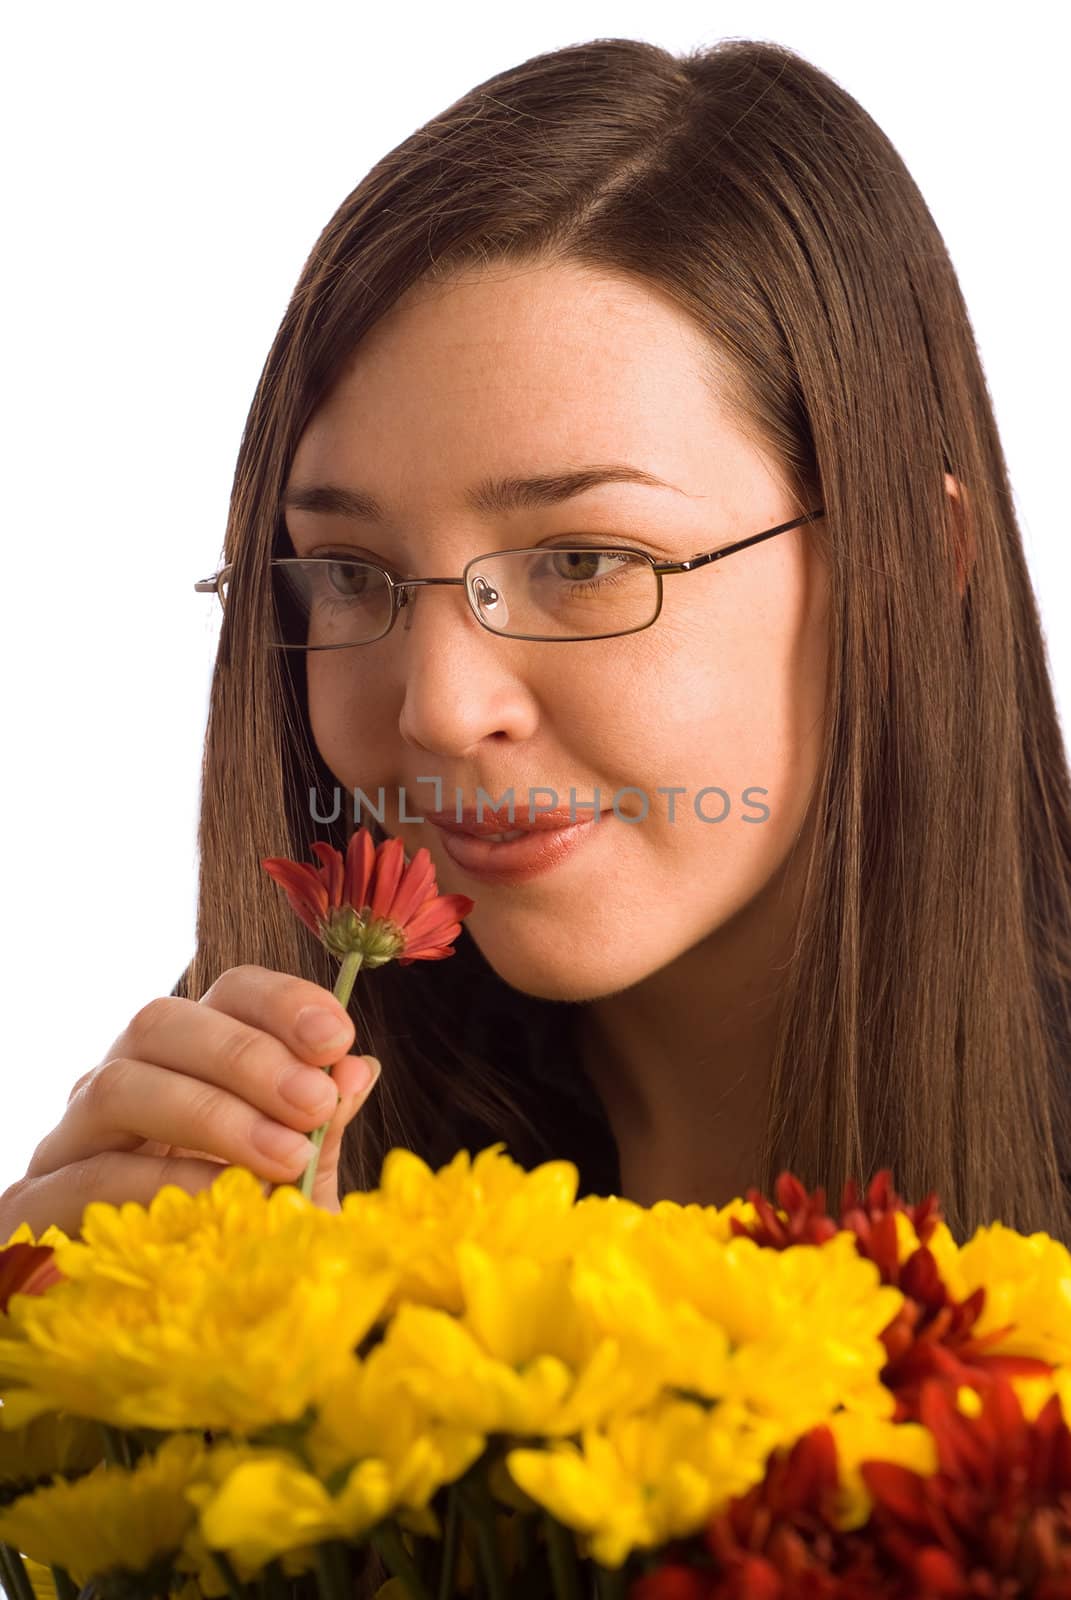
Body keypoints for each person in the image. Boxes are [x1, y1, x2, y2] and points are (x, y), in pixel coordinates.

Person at [5, 34, 1071, 1257]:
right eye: (352, 574)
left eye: (583, 561)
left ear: (912, 569)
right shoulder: (287, 1171)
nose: (440, 710)